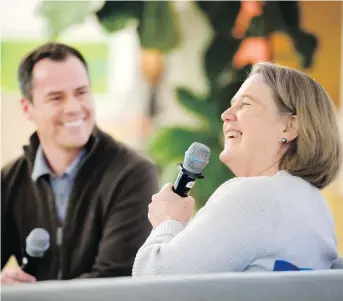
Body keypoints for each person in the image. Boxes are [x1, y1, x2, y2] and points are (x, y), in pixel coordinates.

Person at [132, 62, 342, 276]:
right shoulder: (316, 207)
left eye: (245, 105)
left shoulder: (253, 196)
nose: (226, 115)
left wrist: (168, 221)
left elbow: (153, 281)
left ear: (289, 127)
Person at [1, 42, 158, 284]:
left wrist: (33, 296)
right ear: (27, 108)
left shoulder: (133, 175)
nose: (74, 108)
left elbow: (114, 282)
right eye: (56, 98)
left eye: (81, 92)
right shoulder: (10, 180)